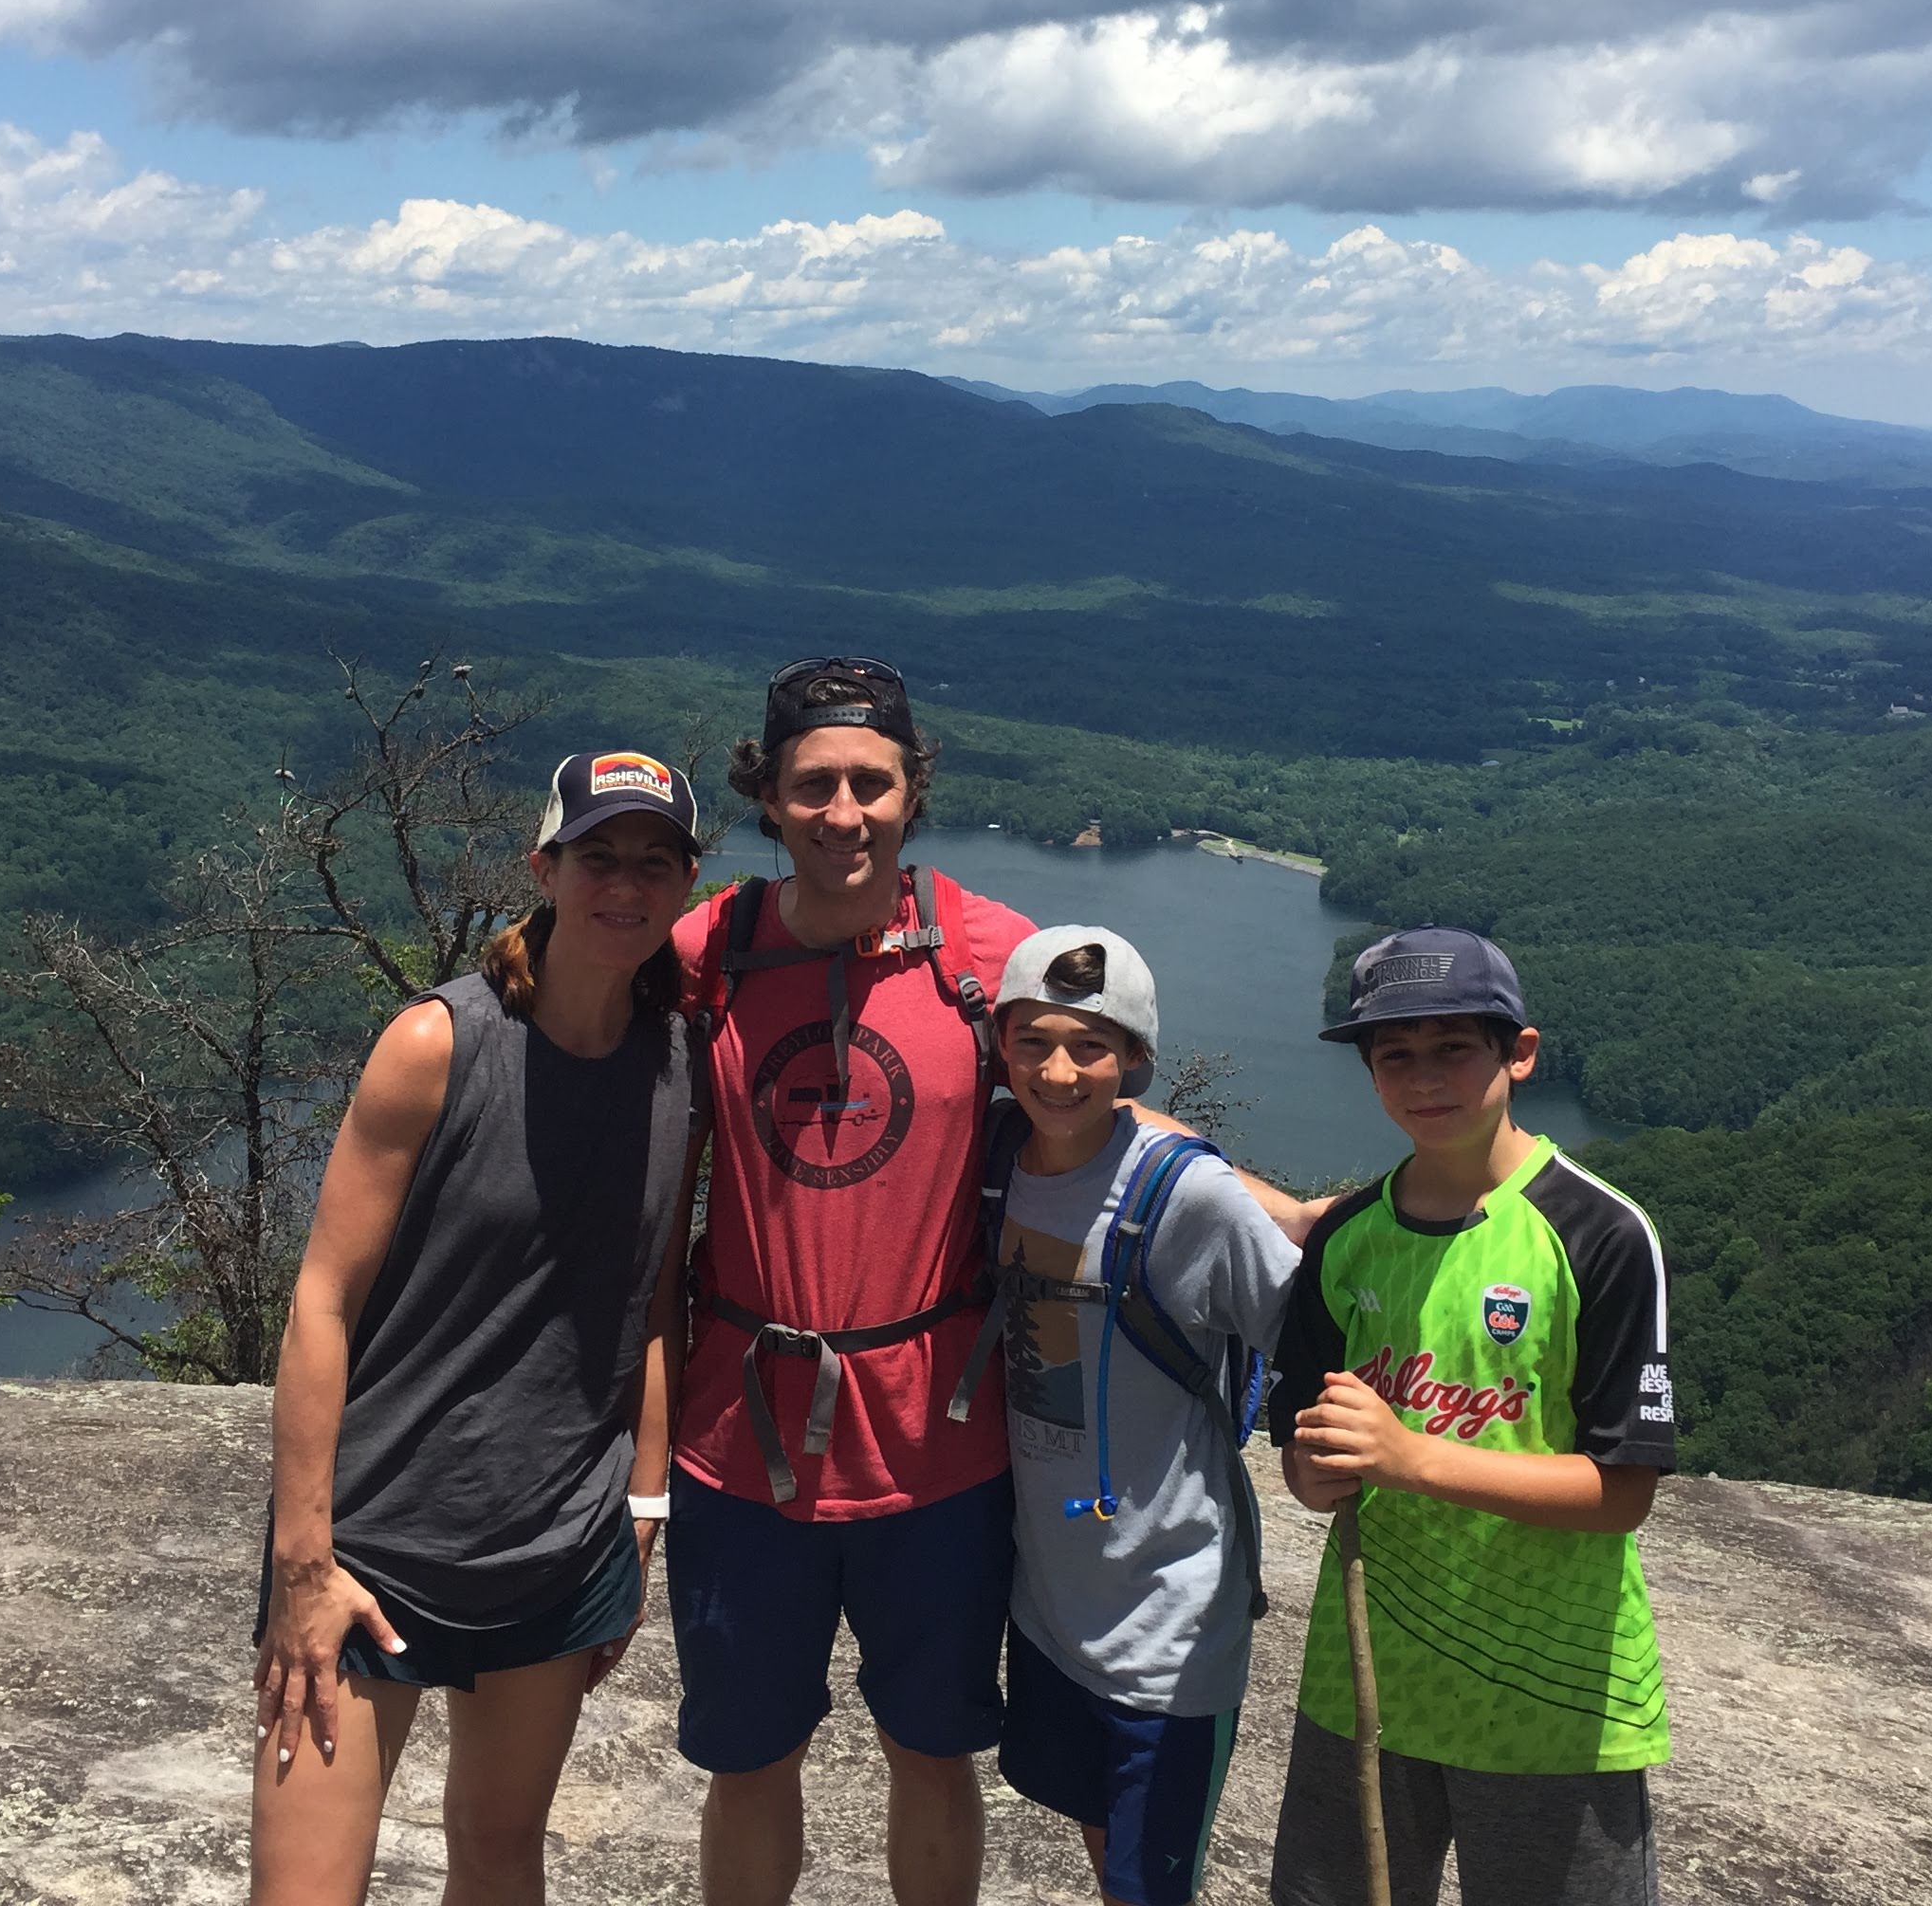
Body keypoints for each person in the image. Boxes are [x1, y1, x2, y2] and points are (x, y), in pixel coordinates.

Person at [250, 750, 707, 1906]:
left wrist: (641, 1511)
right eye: (597, 857)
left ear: (687, 887)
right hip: (375, 1544)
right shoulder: (437, 1045)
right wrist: (304, 1562)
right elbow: (322, 1299)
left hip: (558, 1545)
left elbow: (652, 1300)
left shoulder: (678, 1066)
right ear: (544, 868)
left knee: (503, 1860)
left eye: (655, 862)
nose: (625, 885)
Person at [667, 655, 1038, 1906]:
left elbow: (1103, 1134)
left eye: (871, 784)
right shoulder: (705, 950)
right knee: (747, 1757)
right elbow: (572, 1035)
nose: (844, 815)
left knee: (933, 1753)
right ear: (767, 798)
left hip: (937, 1448)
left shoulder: (995, 958)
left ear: (912, 790)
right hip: (740, 1445)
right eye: (813, 785)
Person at [1265, 927, 1676, 1906]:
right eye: (1394, 1055)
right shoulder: (1347, 1240)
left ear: (1518, 1054)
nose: (1423, 1078)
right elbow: (1302, 1445)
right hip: (1364, 1683)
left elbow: (1621, 1491)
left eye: (1454, 1048)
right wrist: (1314, 1472)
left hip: (1551, 1697)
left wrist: (1411, 1457)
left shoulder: (1600, 1234)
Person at [977, 925, 1300, 1906]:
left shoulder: (1189, 1194)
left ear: (1138, 1062)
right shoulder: (994, 1156)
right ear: (1001, 1047)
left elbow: (1309, 1335)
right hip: (1052, 1607)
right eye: (1033, 1041)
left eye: (1092, 1047)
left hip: (1169, 1626)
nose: (1060, 1070)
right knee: (1100, 1838)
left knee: (1150, 1882)